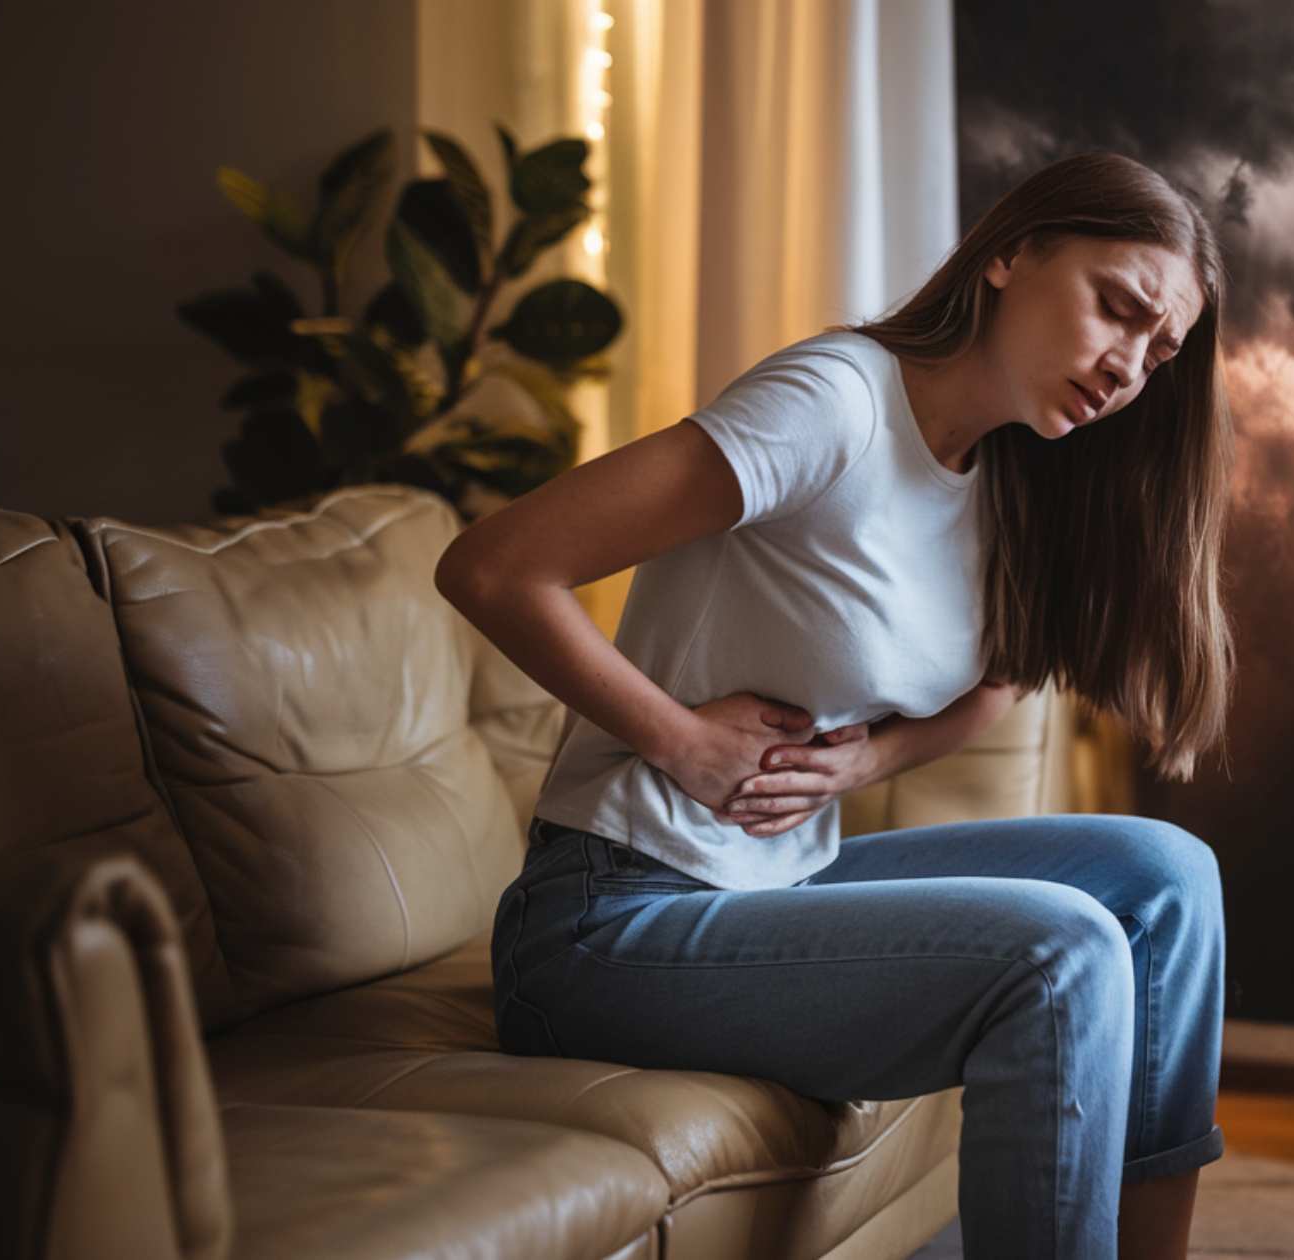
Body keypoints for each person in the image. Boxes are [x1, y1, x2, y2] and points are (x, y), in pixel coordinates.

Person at [435, 150, 1237, 1260]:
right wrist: (677, 739)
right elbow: (493, 566)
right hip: (608, 921)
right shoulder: (834, 403)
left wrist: (866, 763)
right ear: (1008, 254)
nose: (1127, 369)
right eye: (1118, 309)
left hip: (776, 885)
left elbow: (996, 683)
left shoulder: (1005, 464)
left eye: (1158, 352)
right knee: (1058, 952)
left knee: (1164, 879)